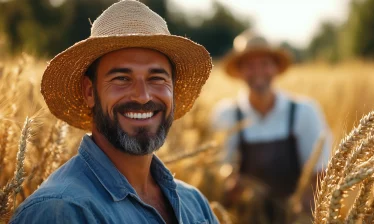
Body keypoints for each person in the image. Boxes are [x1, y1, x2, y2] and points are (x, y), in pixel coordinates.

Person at [10, 1, 219, 223]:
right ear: (90, 92)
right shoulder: (61, 211)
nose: (143, 96)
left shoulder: (194, 204)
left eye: (157, 78)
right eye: (122, 79)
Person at [211, 30, 332, 223]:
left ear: (275, 68)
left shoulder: (304, 111)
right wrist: (229, 188)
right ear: (240, 72)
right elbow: (219, 175)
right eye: (250, 65)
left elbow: (321, 173)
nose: (258, 71)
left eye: (265, 64)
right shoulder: (226, 115)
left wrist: (301, 212)